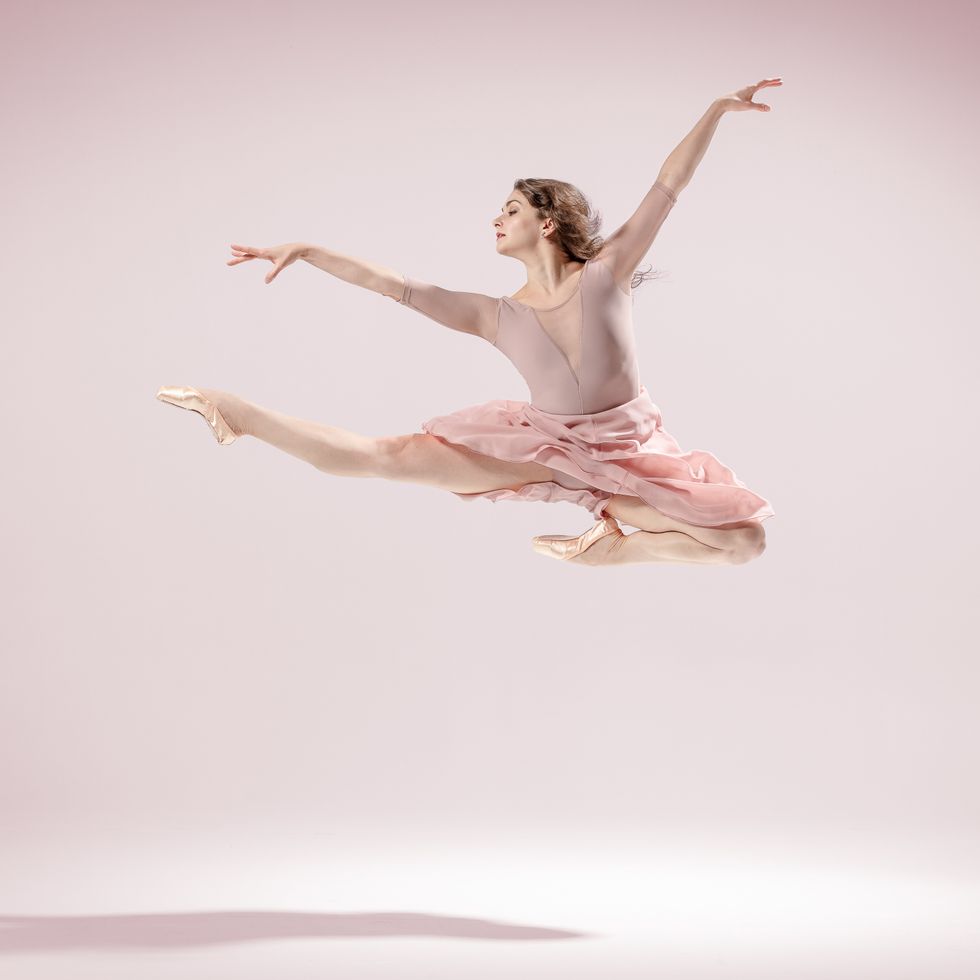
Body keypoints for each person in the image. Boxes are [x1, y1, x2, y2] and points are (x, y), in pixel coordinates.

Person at [157, 78, 782, 567]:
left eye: (510, 209)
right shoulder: (494, 315)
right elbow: (393, 285)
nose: (495, 219)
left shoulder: (607, 274)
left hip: (632, 453)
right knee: (389, 456)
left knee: (745, 540)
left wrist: (715, 112)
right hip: (542, 450)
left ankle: (621, 545)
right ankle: (237, 413)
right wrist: (310, 252)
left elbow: (669, 183)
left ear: (546, 223)